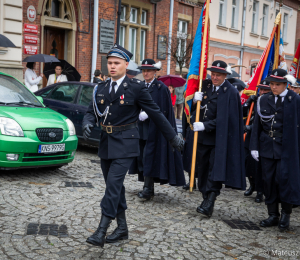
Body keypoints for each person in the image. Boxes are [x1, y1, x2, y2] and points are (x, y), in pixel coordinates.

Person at [82, 44, 184, 248]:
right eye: (109, 63)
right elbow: (90, 111)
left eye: (116, 63)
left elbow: (156, 113)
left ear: (126, 65)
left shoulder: (136, 88)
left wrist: (173, 137)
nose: (112, 67)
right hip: (106, 144)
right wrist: (87, 122)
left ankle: (101, 229)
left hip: (127, 143)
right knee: (116, 188)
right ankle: (122, 228)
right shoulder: (100, 88)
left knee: (112, 186)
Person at [192, 60, 246, 218]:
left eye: (218, 75)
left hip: (219, 139)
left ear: (225, 75)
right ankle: (205, 198)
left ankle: (209, 201)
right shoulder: (205, 86)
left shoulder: (231, 92)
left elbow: (227, 119)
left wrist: (205, 125)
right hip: (202, 138)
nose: (214, 77)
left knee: (214, 170)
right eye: (213, 74)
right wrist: (194, 100)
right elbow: (196, 108)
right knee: (202, 169)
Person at [250, 69, 300, 231]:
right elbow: (257, 125)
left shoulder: (295, 99)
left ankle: (286, 213)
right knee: (268, 180)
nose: (273, 87)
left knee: (284, 181)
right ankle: (273, 214)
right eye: (271, 84)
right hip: (266, 146)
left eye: (277, 84)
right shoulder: (264, 99)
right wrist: (254, 146)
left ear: (285, 84)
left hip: (287, 147)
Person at [129, 59, 185, 200]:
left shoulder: (161, 88)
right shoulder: (139, 86)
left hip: (154, 129)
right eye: (144, 70)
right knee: (141, 157)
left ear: (155, 72)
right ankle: (148, 186)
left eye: (148, 70)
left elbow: (165, 110)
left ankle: (148, 189)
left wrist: (149, 113)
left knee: (149, 158)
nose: (146, 73)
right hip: (140, 127)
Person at [243, 79, 271, 203]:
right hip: (251, 137)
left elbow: (264, 122)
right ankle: (252, 185)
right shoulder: (255, 101)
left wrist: (250, 127)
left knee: (259, 166)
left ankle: (260, 191)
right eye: (261, 89)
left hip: (263, 138)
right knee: (248, 163)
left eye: (266, 89)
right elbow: (243, 114)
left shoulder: (269, 103)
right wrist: (247, 103)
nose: (262, 92)